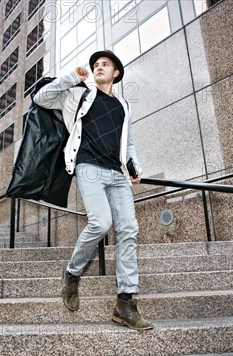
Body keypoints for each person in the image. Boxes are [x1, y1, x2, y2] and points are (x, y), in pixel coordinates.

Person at [33, 50, 153, 331]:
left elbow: (129, 143)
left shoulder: (123, 105)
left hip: (118, 174)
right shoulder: (79, 95)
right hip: (88, 168)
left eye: (105, 64)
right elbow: (42, 98)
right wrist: (72, 77)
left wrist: (134, 166)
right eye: (96, 64)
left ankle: (125, 303)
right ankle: (72, 273)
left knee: (129, 229)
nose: (99, 67)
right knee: (100, 222)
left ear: (116, 73)